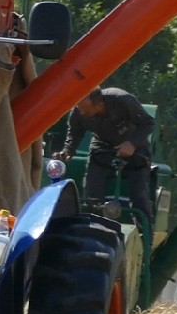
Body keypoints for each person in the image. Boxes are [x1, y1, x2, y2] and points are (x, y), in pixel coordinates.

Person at [57, 86, 155, 219]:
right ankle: (92, 223)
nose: (80, 112)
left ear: (99, 106)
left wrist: (132, 143)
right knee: (92, 190)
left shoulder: (122, 100)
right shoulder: (79, 109)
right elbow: (75, 131)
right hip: (102, 143)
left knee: (139, 194)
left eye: (85, 110)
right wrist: (68, 150)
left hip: (134, 143)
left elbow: (148, 123)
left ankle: (145, 233)